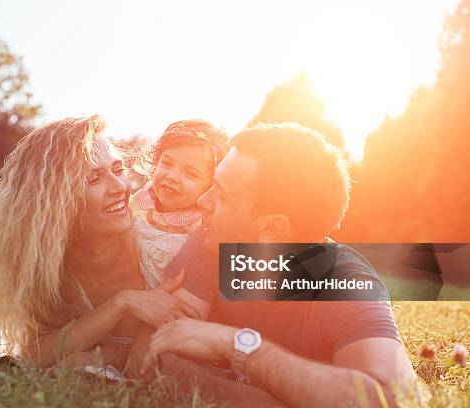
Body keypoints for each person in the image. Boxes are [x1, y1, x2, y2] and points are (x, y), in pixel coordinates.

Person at [133, 123, 420, 407]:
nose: (203, 201)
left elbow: (389, 399)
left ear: (271, 229)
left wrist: (238, 344)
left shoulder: (346, 282)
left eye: (221, 193)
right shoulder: (213, 241)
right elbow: (150, 355)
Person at [0, 115, 200, 369]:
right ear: (56, 201)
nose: (119, 187)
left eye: (118, 169)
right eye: (94, 178)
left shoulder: (166, 253)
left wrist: (111, 355)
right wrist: (123, 303)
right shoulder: (48, 268)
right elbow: (36, 352)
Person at [129, 119, 230, 288]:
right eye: (167, 163)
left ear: (211, 184)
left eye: (190, 174)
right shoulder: (141, 200)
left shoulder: (201, 223)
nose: (172, 176)